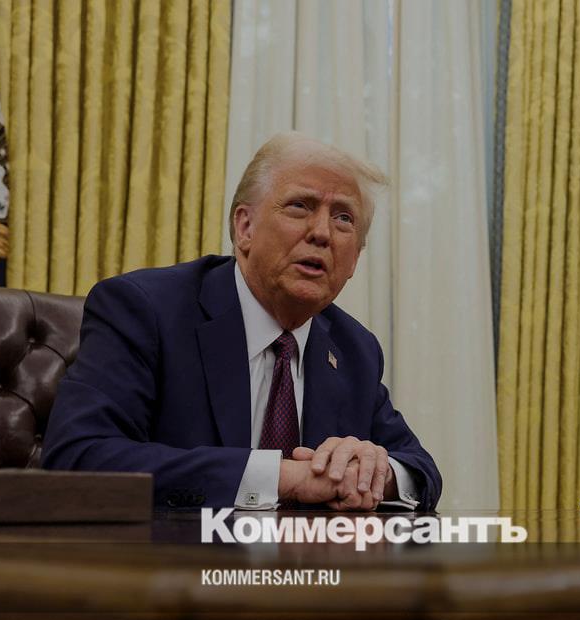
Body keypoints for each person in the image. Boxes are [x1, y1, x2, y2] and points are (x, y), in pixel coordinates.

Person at [43, 133, 441, 511]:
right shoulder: (145, 310)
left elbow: (421, 471)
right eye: (300, 206)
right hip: (174, 557)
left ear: (354, 259)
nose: (322, 233)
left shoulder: (354, 348)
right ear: (244, 227)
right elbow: (77, 456)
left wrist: (375, 473)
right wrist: (283, 477)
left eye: (343, 219)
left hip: (305, 561)